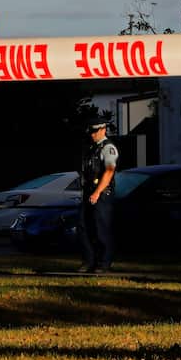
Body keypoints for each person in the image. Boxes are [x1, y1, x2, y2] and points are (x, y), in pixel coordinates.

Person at [78, 112, 118, 273]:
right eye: (91, 132)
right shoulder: (91, 149)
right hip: (89, 191)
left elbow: (109, 172)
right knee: (84, 226)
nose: (92, 134)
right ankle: (89, 261)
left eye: (95, 131)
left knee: (101, 228)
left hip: (102, 193)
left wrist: (97, 192)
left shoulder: (108, 148)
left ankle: (104, 262)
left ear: (103, 129)